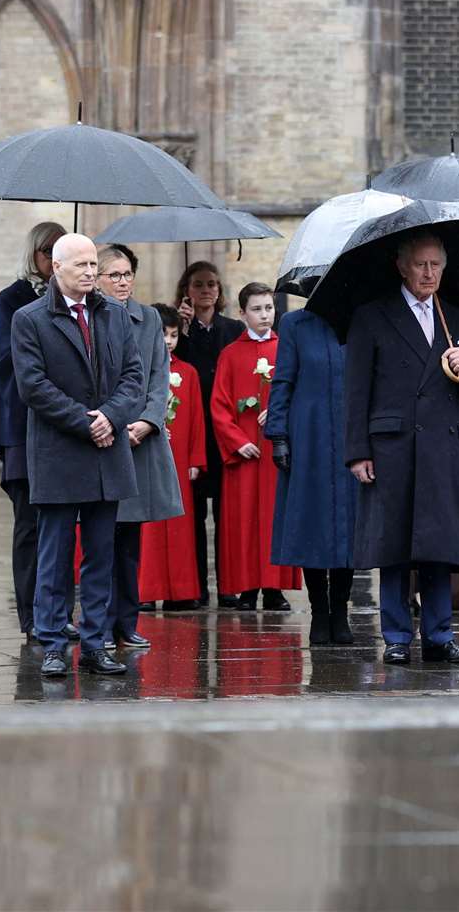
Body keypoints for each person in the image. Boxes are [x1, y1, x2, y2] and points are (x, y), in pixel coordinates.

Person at [10, 233, 145, 677]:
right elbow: (33, 387)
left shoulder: (116, 316)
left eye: (94, 265)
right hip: (60, 452)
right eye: (82, 265)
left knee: (101, 555)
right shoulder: (29, 319)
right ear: (56, 267)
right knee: (54, 553)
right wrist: (86, 422)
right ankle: (51, 642)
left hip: (107, 454)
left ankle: (94, 643)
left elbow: (133, 377)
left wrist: (109, 415)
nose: (91, 272)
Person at [344, 231, 459, 665]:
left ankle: (441, 634)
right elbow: (355, 391)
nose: (428, 273)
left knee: (439, 546)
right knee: (395, 545)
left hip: (442, 447)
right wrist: (357, 451)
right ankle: (397, 636)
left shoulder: (457, 320)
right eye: (420, 265)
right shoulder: (372, 316)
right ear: (402, 267)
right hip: (392, 446)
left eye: (435, 265)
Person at [0, 220, 76, 642]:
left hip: (64, 428)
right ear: (36, 255)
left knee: (64, 524)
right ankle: (32, 617)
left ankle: (61, 612)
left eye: (61, 251)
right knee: (30, 526)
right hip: (23, 428)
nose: (53, 259)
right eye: (47, 251)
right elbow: (10, 364)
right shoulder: (15, 299)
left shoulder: (76, 299)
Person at [96, 245, 183, 648]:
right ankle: (97, 621)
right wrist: (108, 422)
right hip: (100, 439)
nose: (123, 282)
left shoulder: (147, 318)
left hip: (138, 441)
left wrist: (147, 422)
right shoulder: (88, 318)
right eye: (113, 275)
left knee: (129, 539)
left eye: (127, 273)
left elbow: (157, 376)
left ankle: (126, 622)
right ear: (96, 279)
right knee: (99, 540)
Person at [265, 298, 359, 645]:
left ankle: (340, 610)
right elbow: (283, 382)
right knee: (312, 524)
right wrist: (278, 435)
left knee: (348, 524)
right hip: (309, 436)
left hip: (351, 437)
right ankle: (320, 611)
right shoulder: (295, 324)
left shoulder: (359, 320)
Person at [209, 282, 300, 610]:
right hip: (246, 451)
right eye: (257, 309)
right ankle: (246, 588)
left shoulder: (286, 349)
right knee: (243, 522)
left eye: (269, 308)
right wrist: (237, 442)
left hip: (276, 449)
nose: (265, 316)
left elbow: (298, 394)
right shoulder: (230, 354)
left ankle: (275, 588)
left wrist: (278, 414)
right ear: (242, 313)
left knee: (275, 518)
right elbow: (218, 405)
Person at [173, 261, 243, 606]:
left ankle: (229, 586)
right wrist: (183, 331)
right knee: (194, 514)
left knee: (227, 515)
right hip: (192, 431)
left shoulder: (233, 329)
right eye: (199, 284)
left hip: (224, 433)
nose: (206, 290)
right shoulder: (178, 331)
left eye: (212, 284)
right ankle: (197, 587)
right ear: (186, 289)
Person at [139, 304, 206, 610]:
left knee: (180, 525)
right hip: (149, 451)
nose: (167, 341)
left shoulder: (188, 372)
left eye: (173, 335)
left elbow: (196, 420)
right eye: (162, 334)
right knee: (149, 527)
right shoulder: (139, 370)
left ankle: (180, 591)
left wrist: (196, 459)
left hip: (179, 457)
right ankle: (147, 590)